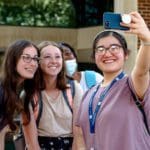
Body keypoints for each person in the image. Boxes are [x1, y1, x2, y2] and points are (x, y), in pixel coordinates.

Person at [75, 11, 150, 150]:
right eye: (100, 49)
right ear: (94, 56)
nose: (107, 53)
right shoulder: (88, 94)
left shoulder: (132, 85)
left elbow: (142, 70)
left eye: (114, 48)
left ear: (126, 54)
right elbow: (80, 135)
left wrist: (146, 41)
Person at [36, 41, 83, 149]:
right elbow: (31, 142)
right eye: (47, 57)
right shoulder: (30, 93)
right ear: (38, 61)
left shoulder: (74, 88)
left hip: (70, 145)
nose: (53, 61)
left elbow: (78, 130)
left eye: (57, 57)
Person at [0, 40, 41, 150]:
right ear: (13, 60)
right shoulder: (2, 90)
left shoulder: (16, 92)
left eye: (35, 59)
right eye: (26, 58)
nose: (33, 63)